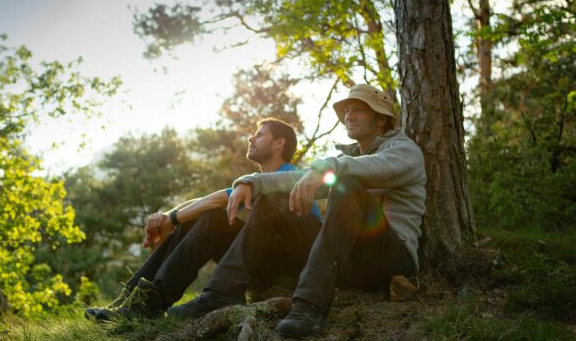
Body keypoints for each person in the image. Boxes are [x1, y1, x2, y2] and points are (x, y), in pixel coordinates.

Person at [170, 84, 426, 339]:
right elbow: (299, 178)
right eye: (346, 110)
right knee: (275, 199)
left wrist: (326, 169)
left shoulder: (404, 151)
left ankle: (309, 305)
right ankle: (221, 293)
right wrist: (252, 182)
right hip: (349, 261)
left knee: (345, 184)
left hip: (392, 256)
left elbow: (371, 169)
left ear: (381, 118)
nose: (348, 116)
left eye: (358, 110)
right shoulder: (350, 160)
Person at [84, 118, 321, 321]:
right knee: (202, 217)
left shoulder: (287, 177)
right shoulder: (259, 180)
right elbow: (204, 200)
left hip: (290, 270)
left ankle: (157, 299)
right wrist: (168, 217)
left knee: (213, 216)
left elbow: (217, 200)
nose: (251, 139)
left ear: (279, 143)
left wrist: (172, 218)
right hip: (263, 261)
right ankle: (135, 300)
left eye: (259, 135)